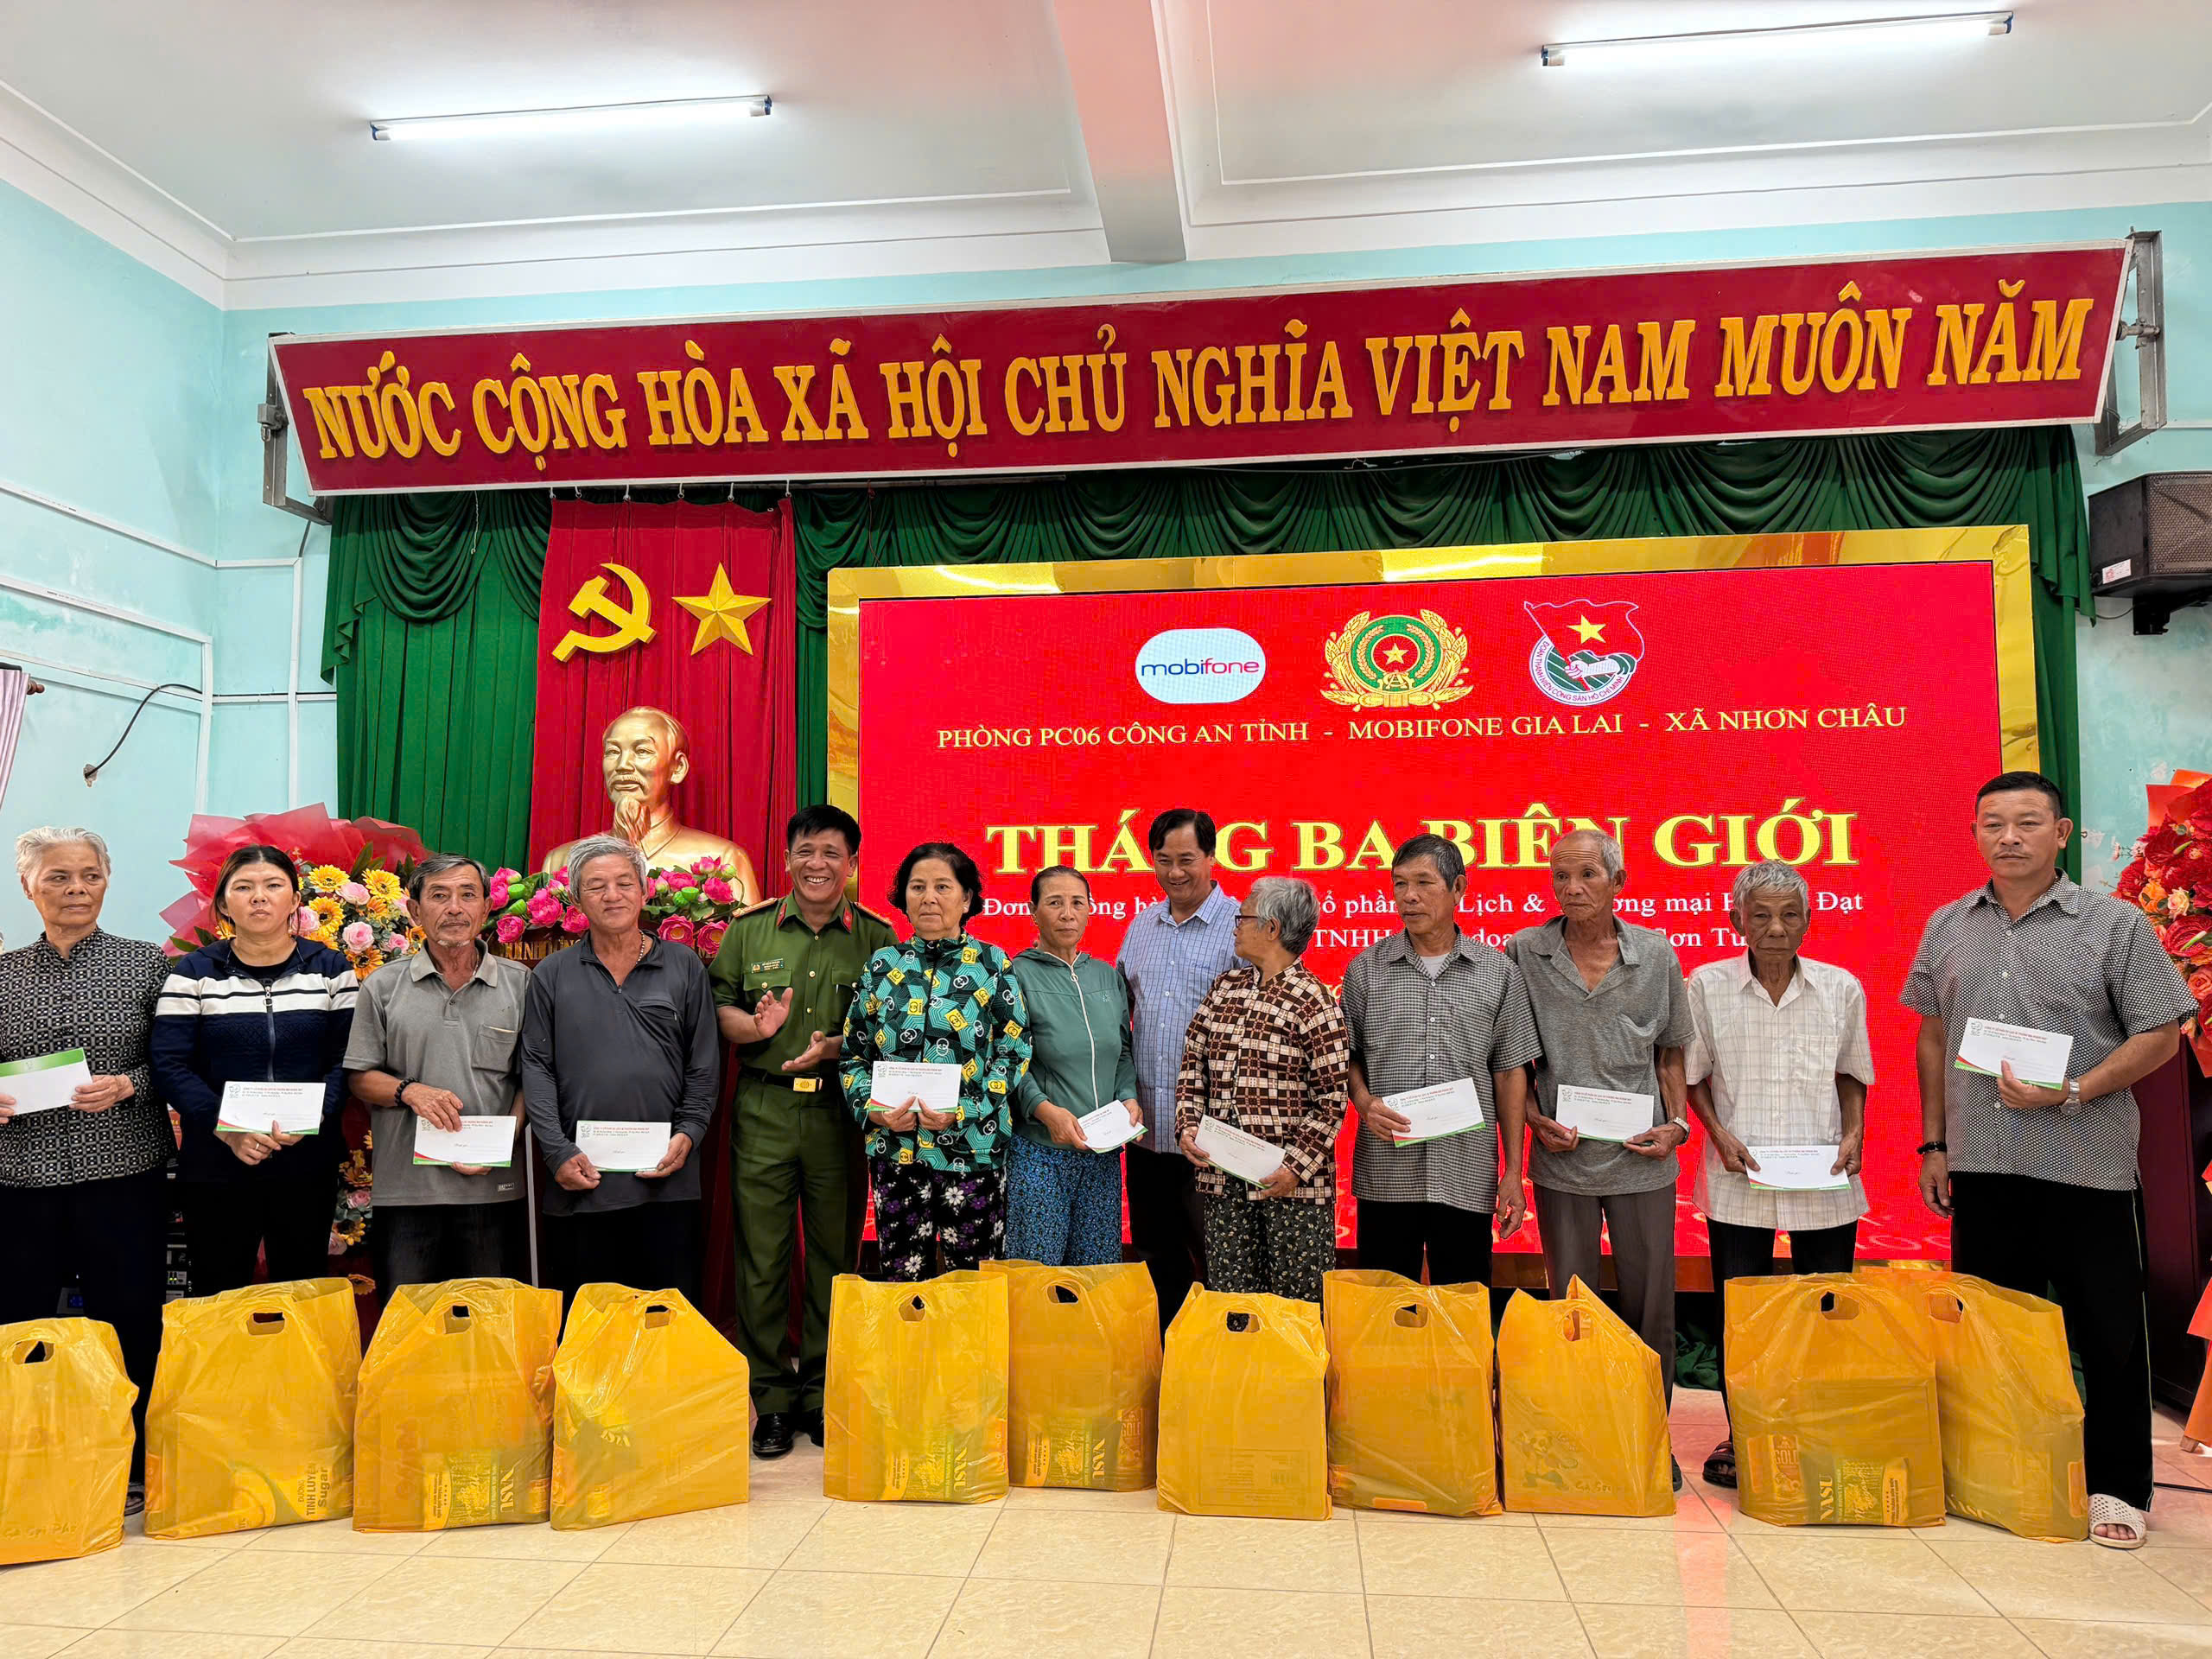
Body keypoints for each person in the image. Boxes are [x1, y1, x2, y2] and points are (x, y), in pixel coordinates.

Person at [1906, 770, 2196, 1548]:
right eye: (1993, 823)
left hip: (2086, 1164)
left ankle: (2117, 1489)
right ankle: (2008, 1476)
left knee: (2109, 1333)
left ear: (2061, 833)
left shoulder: (2114, 925)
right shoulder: (1947, 924)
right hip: (1982, 1163)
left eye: (2028, 822)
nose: (2010, 837)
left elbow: (2160, 1035)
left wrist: (2073, 1090)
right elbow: (1933, 1035)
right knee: (1992, 1333)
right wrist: (1935, 1144)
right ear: (1975, 834)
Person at [1506, 829, 1694, 1487]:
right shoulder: (1525, 952)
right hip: (1563, 1161)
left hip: (1644, 1159)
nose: (1572, 888)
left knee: (1651, 1308)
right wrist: (1533, 1118)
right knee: (1571, 1309)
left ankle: (1648, 1442)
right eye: (1560, 877)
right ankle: (1580, 1442)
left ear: (1619, 881)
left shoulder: (1657, 954)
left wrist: (1677, 1125)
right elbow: (1514, 1060)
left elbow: (1671, 1054)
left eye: (1587, 874)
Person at [709, 804, 896, 1459]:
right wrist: (755, 1028)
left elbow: (890, 1029)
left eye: (832, 854)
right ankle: (770, 1398)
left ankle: (820, 1392)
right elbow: (719, 1007)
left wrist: (837, 1047)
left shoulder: (877, 937)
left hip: (838, 1114)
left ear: (853, 864)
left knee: (833, 1256)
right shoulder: (748, 930)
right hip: (763, 1107)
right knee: (761, 1258)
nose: (818, 865)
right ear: (787, 858)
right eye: (806, 852)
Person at [1684, 859, 1875, 1491]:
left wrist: (1854, 1133)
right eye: (1761, 915)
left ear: (1809, 921)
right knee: (1743, 1314)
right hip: (1739, 1175)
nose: (1775, 928)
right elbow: (1692, 1077)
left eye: (1790, 915)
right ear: (1735, 919)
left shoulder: (1841, 988)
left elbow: (1852, 1073)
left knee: (1827, 1309)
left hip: (1824, 1174)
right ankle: (1745, 1433)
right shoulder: (1706, 986)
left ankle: (1818, 1430)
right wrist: (1718, 1134)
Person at [0, 827, 171, 1508]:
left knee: (130, 1321)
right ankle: (26, 1463)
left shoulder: (147, 965)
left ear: (106, 879)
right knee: (20, 1325)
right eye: (58, 877)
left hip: (123, 1173)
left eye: (89, 875)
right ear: (28, 886)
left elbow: (179, 1063)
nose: (76, 889)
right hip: (21, 1180)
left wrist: (131, 1083)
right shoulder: (4, 974)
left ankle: (133, 1466)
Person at [520, 835, 721, 1305]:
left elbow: (704, 1064)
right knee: (588, 1325)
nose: (612, 895)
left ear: (644, 891)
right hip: (580, 1181)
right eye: (597, 886)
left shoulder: (684, 966)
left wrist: (690, 1132)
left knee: (664, 1324)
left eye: (624, 883)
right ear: (576, 899)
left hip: (666, 1180)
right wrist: (557, 1152)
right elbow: (536, 1068)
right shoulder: (552, 974)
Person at [152, 845, 357, 1294]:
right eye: (243, 887)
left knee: (301, 1292)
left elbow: (348, 1058)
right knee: (218, 1293)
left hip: (305, 1157)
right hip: (217, 1159)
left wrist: (308, 1119)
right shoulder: (194, 972)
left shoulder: (331, 969)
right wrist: (228, 1130)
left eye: (273, 885)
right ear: (224, 904)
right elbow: (169, 1063)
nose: (259, 897)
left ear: (295, 899)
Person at [1343, 834, 1541, 1287]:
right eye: (1399, 884)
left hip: (1466, 1169)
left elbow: (1510, 1073)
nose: (1408, 896)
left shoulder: (1498, 972)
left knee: (1462, 1302)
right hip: (1387, 1171)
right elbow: (1348, 1056)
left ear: (1458, 889)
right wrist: (1364, 1102)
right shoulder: (1366, 969)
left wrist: (1513, 1171)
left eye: (1423, 882)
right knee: (1384, 1307)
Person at [840, 842, 1031, 1281]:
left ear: (966, 899)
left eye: (943, 887)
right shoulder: (882, 966)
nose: (929, 898)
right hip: (896, 1151)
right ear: (904, 897)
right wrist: (873, 1110)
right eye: (918, 887)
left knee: (974, 1282)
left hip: (973, 1149)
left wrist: (964, 1111)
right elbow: (853, 1054)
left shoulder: (992, 964)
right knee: (903, 1282)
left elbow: (1014, 1049)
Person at [346, 854, 531, 1290]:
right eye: (439, 896)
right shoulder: (382, 986)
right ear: (415, 911)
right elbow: (359, 1077)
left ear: (486, 908)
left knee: (493, 1320)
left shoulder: (521, 983)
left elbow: (532, 1080)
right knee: (409, 1322)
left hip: (493, 1189)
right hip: (407, 1192)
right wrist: (410, 1091)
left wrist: (503, 1141)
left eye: (468, 895)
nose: (455, 908)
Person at [1174, 876, 1349, 1304]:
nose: (1235, 926)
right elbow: (1193, 1065)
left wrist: (1294, 1168)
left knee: (1295, 1308)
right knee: (1232, 1304)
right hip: (1222, 1178)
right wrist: (1187, 1126)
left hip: (1293, 1186)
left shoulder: (1315, 1001)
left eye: (1243, 917)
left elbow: (1331, 1100)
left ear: (1272, 928)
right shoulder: (1225, 988)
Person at [1118, 807, 1240, 1325]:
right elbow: (1122, 1016)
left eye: (1186, 859)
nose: (1174, 872)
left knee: (1220, 1260)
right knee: (1156, 1257)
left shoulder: (1241, 926)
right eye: (1163, 860)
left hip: (1214, 1133)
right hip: (1147, 1130)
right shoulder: (1141, 927)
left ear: (1211, 857)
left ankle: (1221, 1362)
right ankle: (1170, 1358)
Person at [1007, 866, 1141, 1267]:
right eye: (1054, 903)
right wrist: (1044, 1111)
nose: (1067, 913)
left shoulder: (1107, 976)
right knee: (1038, 1273)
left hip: (1101, 1154)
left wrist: (1128, 1096)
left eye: (1077, 903)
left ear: (1089, 910)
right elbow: (1010, 1059)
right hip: (1040, 1152)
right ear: (1033, 911)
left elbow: (1123, 1051)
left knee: (1097, 1273)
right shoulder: (1015, 975)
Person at [539, 705, 760, 898]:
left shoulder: (723, 861)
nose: (622, 765)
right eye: (613, 752)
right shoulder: (561, 862)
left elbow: (748, 934)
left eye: (642, 751)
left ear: (678, 768)